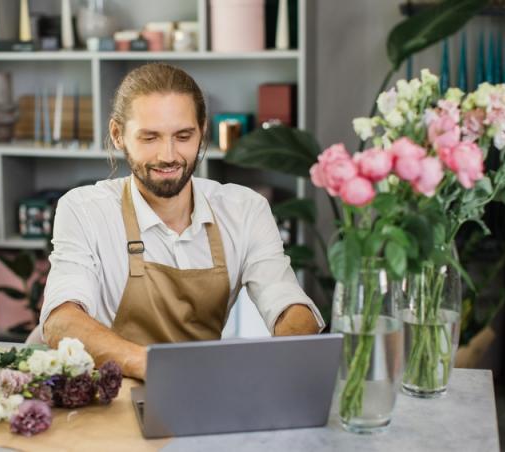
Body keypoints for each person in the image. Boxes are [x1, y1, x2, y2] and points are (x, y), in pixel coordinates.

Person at [40, 63, 324, 380]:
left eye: (183, 136)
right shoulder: (84, 210)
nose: (169, 155)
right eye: (150, 137)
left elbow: (287, 304)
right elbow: (61, 322)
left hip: (199, 390)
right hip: (110, 396)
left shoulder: (245, 210)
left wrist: (284, 356)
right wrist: (161, 370)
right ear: (118, 135)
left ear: (202, 131)